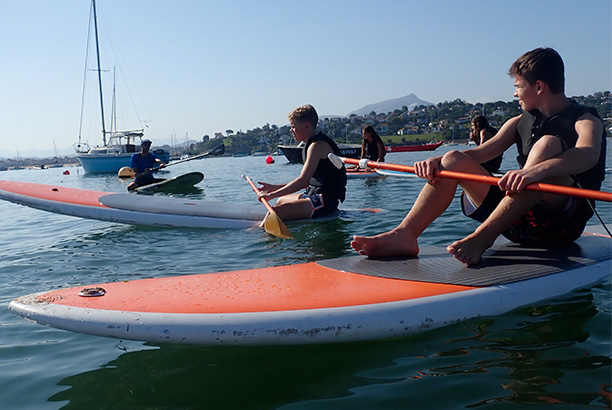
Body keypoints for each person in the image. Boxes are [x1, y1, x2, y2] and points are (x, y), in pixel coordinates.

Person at [351, 47, 606, 266]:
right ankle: (405, 235)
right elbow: (479, 152)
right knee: (452, 158)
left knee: (547, 144)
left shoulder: (585, 120)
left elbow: (588, 154)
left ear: (539, 86)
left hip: (558, 227)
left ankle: (483, 236)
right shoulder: (518, 122)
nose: (515, 94)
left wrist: (538, 171)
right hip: (516, 221)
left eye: (518, 87)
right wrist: (436, 163)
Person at [257, 104, 347, 220]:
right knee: (280, 200)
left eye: (294, 127)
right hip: (313, 194)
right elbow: (308, 182)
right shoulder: (311, 145)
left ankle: (256, 233)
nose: (291, 130)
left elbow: (302, 181)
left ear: (306, 125)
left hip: (325, 201)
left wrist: (270, 195)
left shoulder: (317, 146)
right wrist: (274, 188)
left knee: (275, 213)